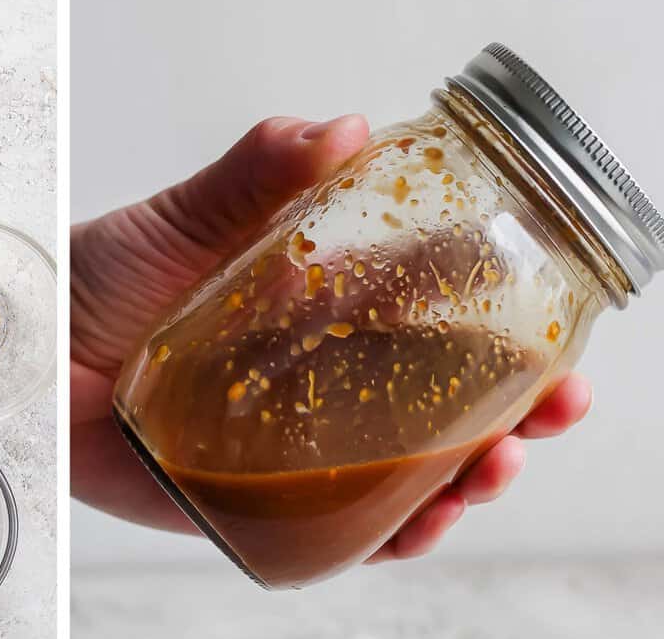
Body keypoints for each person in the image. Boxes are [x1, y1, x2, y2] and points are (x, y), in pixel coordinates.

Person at [71, 115, 592, 563]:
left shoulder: (558, 307)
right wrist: (72, 321)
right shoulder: (412, 160)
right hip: (145, 399)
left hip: (165, 433)